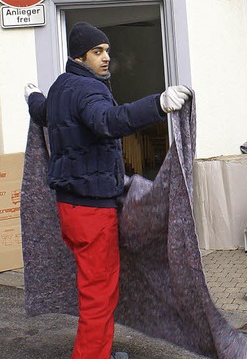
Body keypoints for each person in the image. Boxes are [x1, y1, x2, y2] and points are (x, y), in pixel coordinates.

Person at [24, 22, 192, 359]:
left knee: (99, 290)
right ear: (79, 55)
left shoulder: (61, 87)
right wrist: (158, 104)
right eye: (98, 52)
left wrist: (32, 96)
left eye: (107, 51)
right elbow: (109, 121)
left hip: (72, 206)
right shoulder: (89, 91)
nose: (106, 58)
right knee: (98, 297)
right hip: (92, 210)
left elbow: (43, 113)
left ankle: (99, 350)